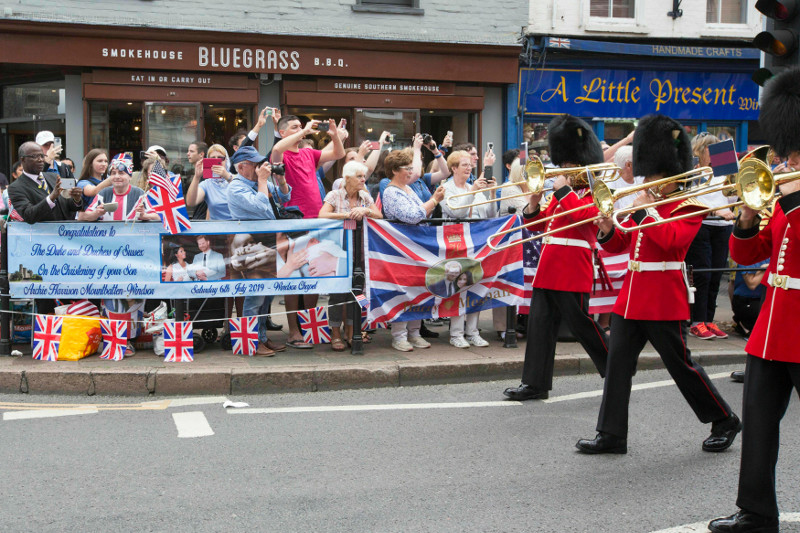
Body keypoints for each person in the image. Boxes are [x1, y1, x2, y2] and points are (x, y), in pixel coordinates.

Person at [576, 114, 740, 456]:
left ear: (671, 173)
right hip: (631, 297)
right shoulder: (646, 201)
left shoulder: (691, 205)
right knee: (618, 364)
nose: (646, 180)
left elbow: (672, 244)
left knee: (681, 365)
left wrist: (646, 212)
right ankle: (611, 434)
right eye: (646, 174)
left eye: (653, 175)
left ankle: (724, 418)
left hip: (663, 296)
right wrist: (607, 227)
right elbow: (621, 245)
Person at [708, 68, 800, 533]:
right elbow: (749, 253)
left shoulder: (792, 196)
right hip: (772, 328)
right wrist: (748, 210)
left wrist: (789, 198)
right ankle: (756, 512)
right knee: (760, 426)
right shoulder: (785, 195)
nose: (790, 160)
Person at [503, 114, 610, 401]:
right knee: (540, 327)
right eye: (562, 166)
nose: (563, 171)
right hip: (549, 267)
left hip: (573, 268)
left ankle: (616, 365)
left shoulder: (594, 192)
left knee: (582, 325)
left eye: (569, 166)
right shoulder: (564, 194)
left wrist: (563, 190)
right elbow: (540, 225)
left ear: (583, 165)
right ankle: (535, 383)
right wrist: (534, 203)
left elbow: (583, 217)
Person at [271, 116, 345, 349]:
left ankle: (309, 324)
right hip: (293, 222)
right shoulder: (280, 153)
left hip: (317, 220)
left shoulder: (307, 153)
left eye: (300, 127)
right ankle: (293, 331)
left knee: (313, 275)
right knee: (294, 278)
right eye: (293, 127)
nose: (300, 131)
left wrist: (333, 134)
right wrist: (304, 130)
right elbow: (276, 148)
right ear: (283, 132)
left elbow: (338, 154)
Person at [226, 145, 290, 356]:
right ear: (242, 167)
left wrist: (280, 180)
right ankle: (250, 342)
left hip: (267, 243)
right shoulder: (236, 187)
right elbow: (261, 206)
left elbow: (284, 198)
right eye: (254, 164)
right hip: (250, 246)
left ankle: (261, 337)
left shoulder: (256, 182)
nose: (259, 167)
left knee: (267, 296)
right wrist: (263, 181)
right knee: (254, 296)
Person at [381, 148, 445, 352]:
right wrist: (434, 199)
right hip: (403, 248)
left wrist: (432, 202)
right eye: (406, 168)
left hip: (417, 246)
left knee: (419, 290)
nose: (411, 171)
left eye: (411, 167)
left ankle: (415, 333)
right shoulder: (391, 191)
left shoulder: (408, 189)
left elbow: (422, 213)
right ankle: (399, 336)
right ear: (394, 170)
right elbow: (413, 216)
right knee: (403, 292)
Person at [318, 160, 382, 350]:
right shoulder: (334, 194)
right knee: (338, 292)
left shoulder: (364, 195)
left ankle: (352, 330)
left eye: (364, 176)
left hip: (361, 249)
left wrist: (365, 210)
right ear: (347, 178)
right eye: (359, 176)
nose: (364, 180)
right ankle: (335, 333)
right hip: (339, 252)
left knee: (357, 291)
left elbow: (379, 215)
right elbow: (322, 215)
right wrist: (347, 215)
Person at [441, 149, 495, 348]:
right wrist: (473, 190)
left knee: (476, 286)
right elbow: (458, 212)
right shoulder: (446, 188)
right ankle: (456, 333)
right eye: (464, 165)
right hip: (455, 244)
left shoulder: (475, 187)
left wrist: (490, 192)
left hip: (477, 243)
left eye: (470, 164)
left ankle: (472, 331)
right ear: (454, 168)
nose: (469, 167)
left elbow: (490, 213)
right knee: (458, 287)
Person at [685, 132, 736, 340]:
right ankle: (697, 321)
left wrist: (733, 173)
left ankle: (709, 320)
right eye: (711, 148)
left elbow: (733, 196)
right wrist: (715, 211)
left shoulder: (724, 170)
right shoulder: (693, 172)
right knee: (703, 275)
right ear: (701, 150)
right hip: (702, 225)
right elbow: (691, 201)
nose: (715, 152)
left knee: (716, 275)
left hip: (723, 225)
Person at [8, 142, 82, 224]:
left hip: (66, 232)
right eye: (34, 156)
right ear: (23, 159)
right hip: (43, 235)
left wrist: (76, 199)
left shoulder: (54, 177)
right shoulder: (16, 187)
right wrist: (51, 197)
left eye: (42, 156)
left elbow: (68, 206)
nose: (40, 160)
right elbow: (29, 215)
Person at [78, 153, 159, 222]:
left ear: (130, 177)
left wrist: (144, 216)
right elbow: (81, 217)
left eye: (121, 173)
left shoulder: (139, 193)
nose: (117, 176)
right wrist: (96, 213)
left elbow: (158, 217)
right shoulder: (103, 193)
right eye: (113, 173)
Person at [186, 143, 232, 221]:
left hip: (236, 227)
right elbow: (191, 202)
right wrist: (196, 177)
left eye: (221, 158)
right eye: (213, 159)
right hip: (217, 229)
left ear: (226, 160)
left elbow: (243, 197)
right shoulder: (207, 183)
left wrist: (227, 176)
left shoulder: (235, 179)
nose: (217, 161)